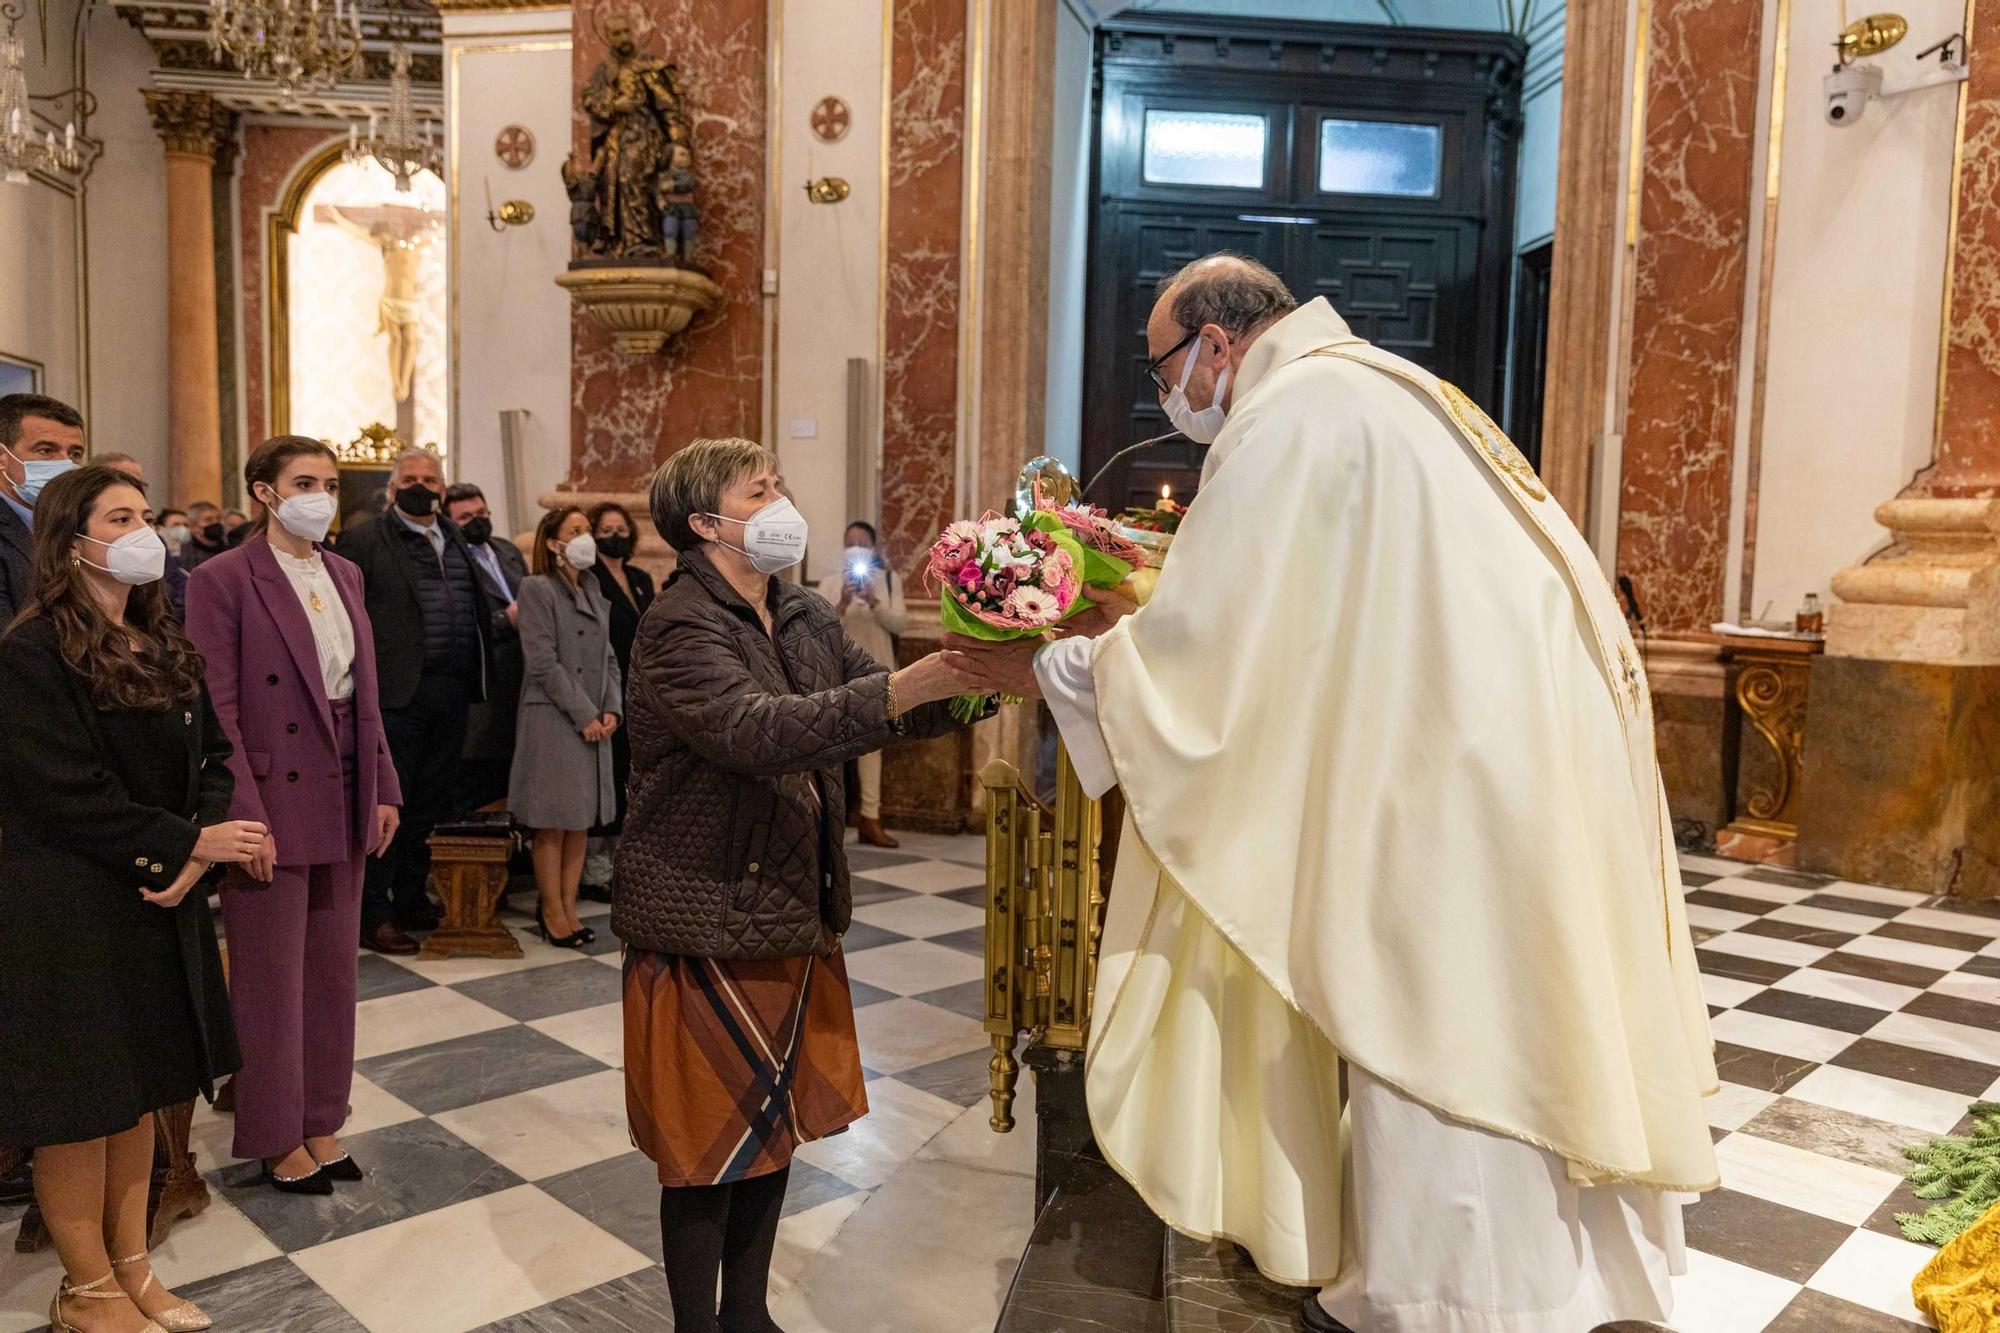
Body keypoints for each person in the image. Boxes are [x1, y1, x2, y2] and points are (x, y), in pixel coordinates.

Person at [949, 254, 1719, 1333]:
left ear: (1216, 344)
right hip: (1508, 755)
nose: (1165, 393)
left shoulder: (1290, 415)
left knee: (1431, 1016)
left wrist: (1050, 668)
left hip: (1441, 783)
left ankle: (1437, 1298)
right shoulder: (1391, 389)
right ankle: (1555, 1284)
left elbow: (1213, 653)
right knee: (1521, 1006)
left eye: (1163, 363)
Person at [615, 438, 986, 1333]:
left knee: (768, 1131)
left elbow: (881, 703)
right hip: (704, 909)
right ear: (708, 523)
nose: (782, 498)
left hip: (788, 901)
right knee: (705, 1147)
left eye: (778, 481)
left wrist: (986, 674)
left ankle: (746, 1315)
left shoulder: (803, 609)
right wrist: (918, 680)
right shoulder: (679, 626)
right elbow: (757, 731)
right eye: (761, 488)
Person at [0, 466, 264, 1333]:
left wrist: (196, 859)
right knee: (84, 1107)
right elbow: (63, 792)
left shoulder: (159, 634)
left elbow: (217, 757)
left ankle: (131, 1268)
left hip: (158, 894)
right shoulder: (32, 652)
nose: (144, 528)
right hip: (72, 903)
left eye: (146, 514)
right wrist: (188, 843)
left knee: (142, 1094)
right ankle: (84, 1289)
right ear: (72, 542)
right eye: (122, 516)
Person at [184, 437, 403, 1197]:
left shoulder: (346, 571)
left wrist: (383, 785)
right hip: (272, 795)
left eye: (332, 482)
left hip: (344, 785)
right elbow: (221, 709)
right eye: (304, 481)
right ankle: (276, 1135)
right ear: (264, 494)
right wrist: (245, 815)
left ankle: (321, 1117)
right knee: (271, 981)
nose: (322, 494)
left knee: (333, 975)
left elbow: (364, 695)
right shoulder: (223, 579)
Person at [337, 448, 491, 955]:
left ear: (444, 488)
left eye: (430, 478)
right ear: (392, 486)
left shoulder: (456, 537)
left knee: (429, 804)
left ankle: (410, 898)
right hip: (397, 692)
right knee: (388, 805)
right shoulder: (363, 540)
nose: (420, 486)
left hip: (451, 688)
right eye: (410, 478)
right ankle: (373, 913)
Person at [510, 506, 621, 948]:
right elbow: (542, 661)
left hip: (593, 717)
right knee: (552, 822)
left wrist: (611, 708)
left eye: (587, 530)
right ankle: (552, 912)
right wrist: (585, 715)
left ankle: (570, 908)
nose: (586, 537)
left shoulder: (594, 588)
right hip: (555, 717)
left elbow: (609, 657)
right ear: (554, 543)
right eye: (575, 531)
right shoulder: (537, 588)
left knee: (579, 821)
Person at [815, 520, 907, 848]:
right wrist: (840, 603)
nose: (856, 548)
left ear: (872, 549)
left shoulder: (889, 581)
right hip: (836, 676)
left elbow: (901, 623)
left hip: (878, 673)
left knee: (874, 748)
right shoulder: (827, 583)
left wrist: (874, 602)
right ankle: (829, 820)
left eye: (862, 543)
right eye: (849, 542)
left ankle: (871, 818)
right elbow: (817, 631)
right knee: (832, 748)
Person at [582, 500, 654, 895]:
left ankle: (625, 860)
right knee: (603, 775)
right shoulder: (588, 577)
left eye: (620, 528)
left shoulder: (640, 577)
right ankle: (595, 867)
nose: (615, 535)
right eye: (606, 529)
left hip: (638, 688)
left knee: (630, 773)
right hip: (601, 686)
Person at [446, 483, 527, 815]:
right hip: (483, 688)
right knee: (478, 794)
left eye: (481, 514)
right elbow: (459, 621)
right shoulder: (450, 559)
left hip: (520, 682)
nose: (476, 521)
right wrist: (506, 620)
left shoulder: (507, 550)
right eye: (466, 517)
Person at [0, 392, 87, 625]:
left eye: (75, 454)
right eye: (46, 450)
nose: (65, 465)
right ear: (2, 458)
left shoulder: (84, 528)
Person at [96, 454, 190, 620]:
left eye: (148, 520)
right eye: (122, 519)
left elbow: (174, 584)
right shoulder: (44, 634)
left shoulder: (152, 540)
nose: (144, 529)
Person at [177, 502, 226, 573]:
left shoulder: (230, 548)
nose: (215, 522)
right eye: (208, 520)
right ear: (194, 526)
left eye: (218, 518)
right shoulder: (185, 553)